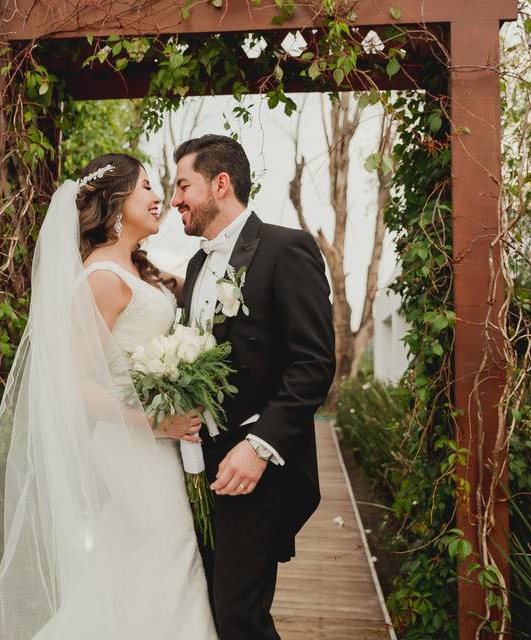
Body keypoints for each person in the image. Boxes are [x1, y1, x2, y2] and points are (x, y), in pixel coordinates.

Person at [0, 153, 218, 640]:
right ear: (114, 201)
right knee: (170, 554)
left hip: (153, 443)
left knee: (136, 564)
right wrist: (154, 423)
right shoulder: (103, 279)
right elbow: (77, 385)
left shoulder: (134, 268)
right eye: (147, 187)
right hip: (129, 443)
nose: (158, 199)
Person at [174, 134, 336, 639]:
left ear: (220, 184)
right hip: (196, 466)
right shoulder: (197, 266)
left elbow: (314, 363)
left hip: (256, 467)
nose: (175, 199)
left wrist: (259, 447)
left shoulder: (287, 249)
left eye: (184, 185)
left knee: (239, 614)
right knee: (209, 606)